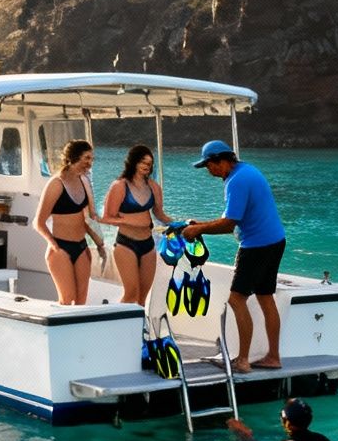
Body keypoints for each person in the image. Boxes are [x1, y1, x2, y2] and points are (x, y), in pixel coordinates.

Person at [176, 140, 286, 372]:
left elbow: (229, 224)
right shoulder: (247, 170)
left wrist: (199, 229)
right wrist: (202, 225)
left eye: (209, 165)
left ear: (220, 160)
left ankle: (243, 361)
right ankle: (274, 356)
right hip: (275, 240)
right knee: (266, 298)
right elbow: (235, 218)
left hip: (256, 245)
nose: (209, 170)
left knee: (237, 300)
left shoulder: (236, 181)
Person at [99, 145, 172, 306]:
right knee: (131, 293)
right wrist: (129, 221)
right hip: (126, 244)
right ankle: (117, 326)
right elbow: (106, 217)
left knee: (142, 298)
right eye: (143, 162)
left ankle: (138, 330)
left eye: (149, 163)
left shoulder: (153, 187)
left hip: (148, 245)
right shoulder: (119, 186)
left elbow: (160, 214)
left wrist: (181, 224)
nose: (147, 166)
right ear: (133, 162)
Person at [35, 139, 104, 305]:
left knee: (81, 301)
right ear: (74, 157)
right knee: (67, 299)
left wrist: (99, 244)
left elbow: (88, 218)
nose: (90, 163)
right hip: (60, 248)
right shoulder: (56, 184)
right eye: (87, 158)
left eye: (92, 159)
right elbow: (38, 222)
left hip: (81, 247)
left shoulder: (84, 181)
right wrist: (53, 245)